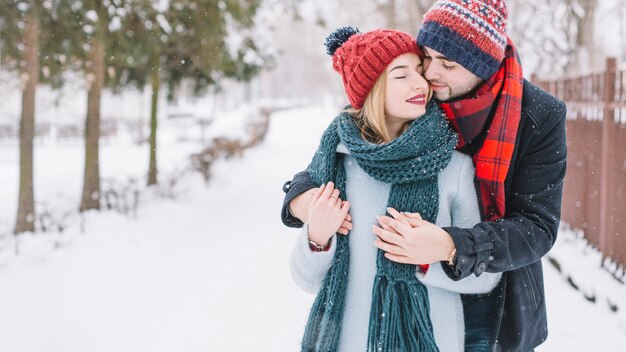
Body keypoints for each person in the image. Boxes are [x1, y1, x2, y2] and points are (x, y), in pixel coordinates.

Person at [282, 1, 567, 351]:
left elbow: (537, 227)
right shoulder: (411, 101)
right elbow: (356, 138)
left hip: (497, 299)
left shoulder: (537, 117)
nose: (429, 75)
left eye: (447, 63)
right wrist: (302, 204)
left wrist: (449, 246)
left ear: (483, 66)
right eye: (426, 58)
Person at [289, 27, 501, 352]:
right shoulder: (338, 164)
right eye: (401, 76)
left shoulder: (455, 168)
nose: (420, 84)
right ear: (371, 89)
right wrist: (317, 237)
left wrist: (433, 255)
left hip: (432, 342)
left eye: (419, 72)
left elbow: (485, 278)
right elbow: (306, 280)